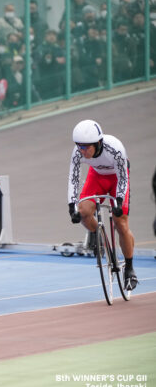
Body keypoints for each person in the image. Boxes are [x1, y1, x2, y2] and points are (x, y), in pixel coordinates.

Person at [68, 120, 137, 290]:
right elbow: (73, 178)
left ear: (98, 143)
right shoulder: (78, 153)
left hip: (117, 179)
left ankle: (129, 268)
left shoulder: (115, 148)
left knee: (120, 221)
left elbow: (123, 178)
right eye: (79, 146)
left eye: (86, 147)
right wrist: (72, 206)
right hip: (96, 176)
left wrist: (119, 201)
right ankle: (96, 234)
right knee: (84, 212)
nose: (82, 151)